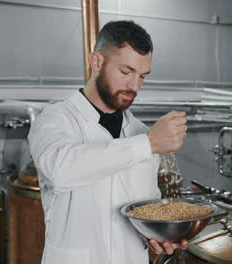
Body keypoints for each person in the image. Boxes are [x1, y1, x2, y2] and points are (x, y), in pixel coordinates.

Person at [28, 20, 188, 264]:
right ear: (97, 62)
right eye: (125, 72)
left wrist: (155, 234)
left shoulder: (141, 132)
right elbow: (60, 170)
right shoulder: (55, 120)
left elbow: (144, 208)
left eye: (142, 76)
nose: (134, 86)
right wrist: (147, 144)